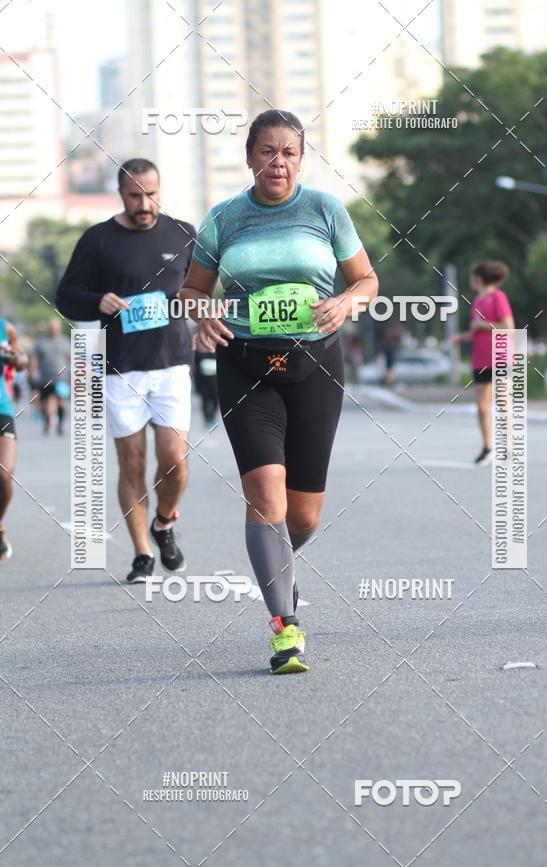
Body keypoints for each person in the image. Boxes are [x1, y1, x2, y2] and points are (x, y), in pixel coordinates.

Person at [180, 109, 379, 673]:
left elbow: (366, 279)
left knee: (304, 517)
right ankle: (283, 627)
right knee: (265, 493)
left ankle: (277, 566)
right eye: (267, 151)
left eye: (289, 152)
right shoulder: (224, 218)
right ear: (249, 157)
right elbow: (193, 289)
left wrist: (346, 301)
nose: (278, 162)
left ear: (300, 158)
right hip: (245, 367)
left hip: (315, 366)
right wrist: (203, 315)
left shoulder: (324, 209)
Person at [56, 158, 195, 583]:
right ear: (121, 194)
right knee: (131, 464)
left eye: (151, 194)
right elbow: (66, 296)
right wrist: (97, 301)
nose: (144, 203)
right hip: (120, 370)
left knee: (174, 461)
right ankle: (141, 554)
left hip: (171, 363)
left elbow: (201, 292)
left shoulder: (184, 234)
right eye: (135, 195)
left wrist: (201, 313)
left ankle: (164, 523)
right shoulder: (97, 240)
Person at [453, 260, 514, 465]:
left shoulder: (498, 297)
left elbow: (508, 327)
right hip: (480, 358)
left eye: (473, 276)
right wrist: (462, 337)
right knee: (481, 406)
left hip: (500, 356)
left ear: (478, 278)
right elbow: (475, 331)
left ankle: (507, 445)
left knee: (503, 402)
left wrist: (483, 324)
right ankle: (487, 446)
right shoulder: (477, 300)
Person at [0, 315, 28, 560]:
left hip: (1, 407)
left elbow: (23, 361)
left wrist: (14, 358)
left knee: (4, 473)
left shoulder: (5, 326)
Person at [30, 318, 71, 435]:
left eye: (55, 327)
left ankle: (60, 425)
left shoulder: (65, 342)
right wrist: (33, 372)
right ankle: (47, 421)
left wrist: (74, 374)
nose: (53, 329)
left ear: (59, 328)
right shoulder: (41, 342)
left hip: (61, 378)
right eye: (51, 327)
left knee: (61, 401)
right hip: (45, 378)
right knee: (44, 402)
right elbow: (34, 359)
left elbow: (71, 359)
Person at [192, 349, 218, 428]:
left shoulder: (217, 354)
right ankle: (207, 419)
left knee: (215, 401)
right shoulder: (199, 355)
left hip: (215, 385)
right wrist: (197, 386)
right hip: (204, 385)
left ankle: (212, 417)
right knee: (205, 401)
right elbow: (196, 372)